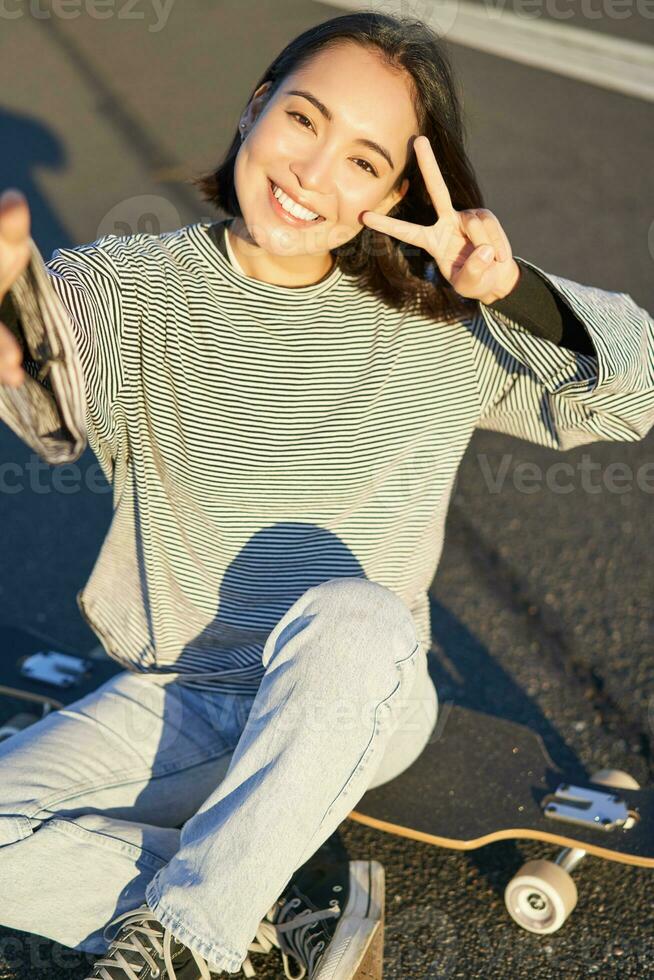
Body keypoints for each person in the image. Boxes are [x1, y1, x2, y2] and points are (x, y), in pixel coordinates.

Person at [0, 10, 652, 980]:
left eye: (363, 160)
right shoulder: (129, 286)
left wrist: (512, 287)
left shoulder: (437, 323)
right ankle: (250, 930)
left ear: (395, 192)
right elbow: (51, 400)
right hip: (181, 691)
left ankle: (202, 925)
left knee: (354, 614)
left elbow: (634, 394)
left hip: (357, 692)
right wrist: (13, 329)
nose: (313, 173)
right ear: (258, 106)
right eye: (305, 120)